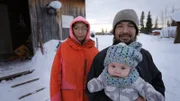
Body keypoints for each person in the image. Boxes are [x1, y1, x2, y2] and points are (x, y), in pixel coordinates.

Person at [86, 9, 165, 101]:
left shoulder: (145, 56)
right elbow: (92, 94)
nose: (125, 31)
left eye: (130, 26)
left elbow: (157, 83)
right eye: (120, 26)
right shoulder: (102, 57)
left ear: (136, 30)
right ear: (114, 31)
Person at [87, 42, 165, 101]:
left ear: (130, 69)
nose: (117, 70)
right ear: (108, 65)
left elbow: (145, 88)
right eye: (113, 66)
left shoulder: (134, 79)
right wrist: (94, 85)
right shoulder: (105, 76)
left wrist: (154, 96)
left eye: (123, 68)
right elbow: (99, 82)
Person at [50, 16, 99, 101]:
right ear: (72, 30)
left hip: (88, 97)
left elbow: (100, 77)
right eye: (77, 28)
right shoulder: (63, 48)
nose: (80, 32)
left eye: (83, 28)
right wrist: (55, 98)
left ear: (88, 30)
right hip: (69, 97)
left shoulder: (94, 51)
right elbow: (55, 76)